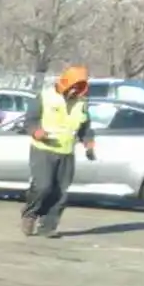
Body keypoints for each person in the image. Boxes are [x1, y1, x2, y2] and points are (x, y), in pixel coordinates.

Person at [23, 65, 96, 237]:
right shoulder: (44, 97)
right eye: (74, 87)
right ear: (66, 83)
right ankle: (30, 215)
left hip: (66, 152)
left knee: (60, 192)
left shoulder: (82, 103)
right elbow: (30, 120)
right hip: (43, 149)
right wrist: (36, 131)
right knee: (43, 186)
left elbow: (85, 127)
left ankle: (48, 226)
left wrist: (88, 142)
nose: (76, 92)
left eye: (80, 88)